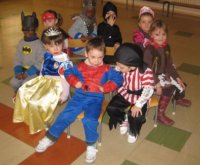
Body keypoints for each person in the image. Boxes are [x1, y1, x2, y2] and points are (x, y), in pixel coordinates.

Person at [35, 37, 123, 163]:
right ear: (86, 54)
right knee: (65, 115)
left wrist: (106, 88)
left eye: (100, 57)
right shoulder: (80, 66)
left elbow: (119, 79)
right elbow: (68, 73)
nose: (97, 61)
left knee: (90, 120)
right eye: (93, 57)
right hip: (79, 97)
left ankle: (91, 145)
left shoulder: (106, 69)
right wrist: (75, 82)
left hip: (96, 99)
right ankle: (50, 137)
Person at [13, 27, 73, 134]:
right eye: (51, 46)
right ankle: (26, 117)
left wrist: (65, 94)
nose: (55, 48)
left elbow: (67, 78)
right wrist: (38, 81)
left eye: (58, 44)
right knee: (23, 92)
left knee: (37, 101)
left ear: (62, 44)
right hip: (44, 81)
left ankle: (45, 120)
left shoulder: (64, 59)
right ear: (45, 46)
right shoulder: (47, 55)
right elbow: (43, 70)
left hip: (57, 85)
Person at [143, 20, 191, 126]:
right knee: (169, 88)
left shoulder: (166, 47)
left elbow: (169, 65)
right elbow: (148, 70)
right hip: (151, 77)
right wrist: (157, 84)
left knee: (181, 84)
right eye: (157, 34)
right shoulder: (149, 50)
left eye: (164, 34)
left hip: (163, 74)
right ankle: (159, 115)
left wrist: (178, 78)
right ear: (151, 34)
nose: (161, 37)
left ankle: (177, 98)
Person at [106, 43, 154, 143]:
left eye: (121, 67)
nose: (118, 68)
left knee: (136, 114)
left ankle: (133, 131)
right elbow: (115, 76)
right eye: (117, 65)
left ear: (132, 66)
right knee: (111, 108)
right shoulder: (121, 66)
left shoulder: (145, 71)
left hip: (140, 95)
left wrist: (138, 105)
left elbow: (148, 89)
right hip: (125, 91)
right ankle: (123, 119)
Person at [10, 11, 45, 102]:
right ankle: (18, 92)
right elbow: (17, 58)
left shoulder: (39, 44)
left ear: (35, 29)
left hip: (34, 72)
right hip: (22, 71)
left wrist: (28, 73)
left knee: (26, 83)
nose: (27, 32)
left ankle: (27, 97)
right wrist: (18, 71)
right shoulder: (21, 43)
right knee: (13, 82)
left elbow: (41, 62)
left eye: (30, 30)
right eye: (24, 30)